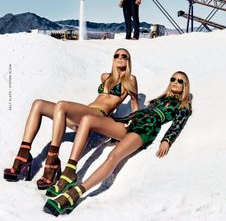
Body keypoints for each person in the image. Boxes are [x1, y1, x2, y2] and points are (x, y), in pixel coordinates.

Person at [43, 71, 192, 216]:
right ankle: (70, 171)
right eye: (173, 79)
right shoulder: (158, 100)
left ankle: (76, 193)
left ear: (185, 86)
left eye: (180, 81)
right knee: (87, 119)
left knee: (113, 156)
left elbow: (177, 125)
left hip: (145, 130)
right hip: (129, 123)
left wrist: (167, 141)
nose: (175, 82)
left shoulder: (183, 106)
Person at [4, 48, 138, 190]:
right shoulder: (105, 77)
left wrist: (134, 124)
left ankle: (52, 161)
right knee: (38, 104)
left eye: (124, 56)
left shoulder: (130, 80)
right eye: (117, 55)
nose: (120, 58)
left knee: (62, 105)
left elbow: (135, 104)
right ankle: (23, 154)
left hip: (98, 117)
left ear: (128, 60)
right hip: (82, 117)